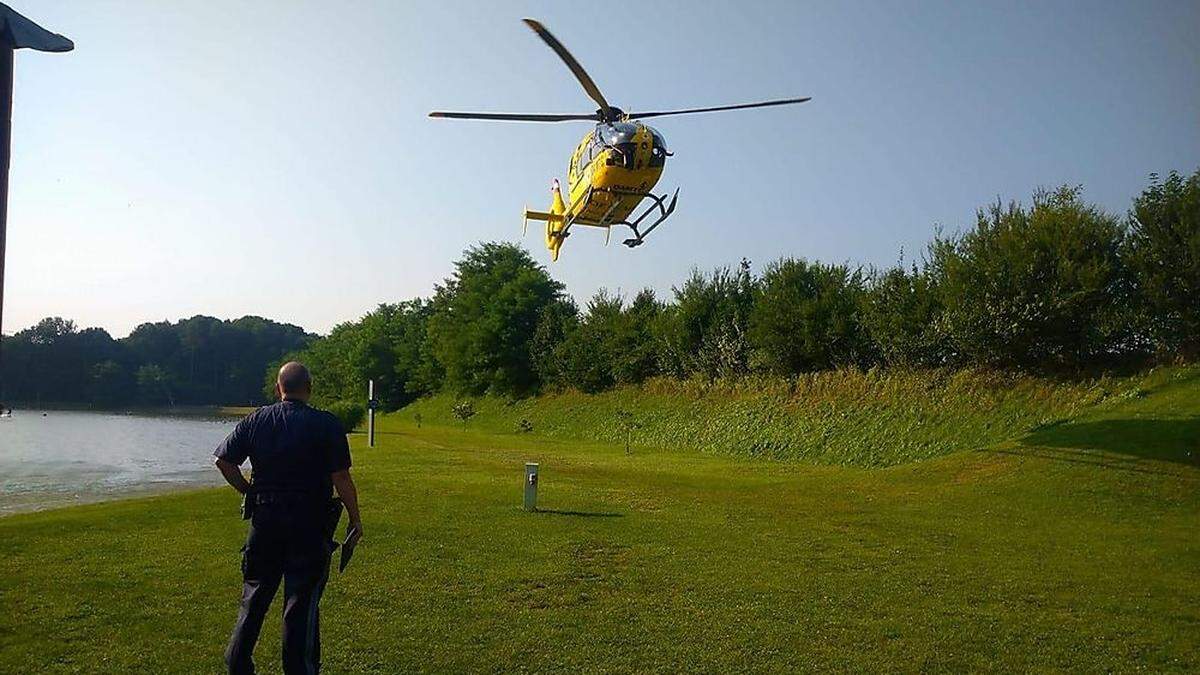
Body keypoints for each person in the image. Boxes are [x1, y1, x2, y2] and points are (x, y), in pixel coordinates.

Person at [213, 361, 363, 675]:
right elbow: (341, 477)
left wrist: (248, 492)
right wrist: (354, 518)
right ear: (308, 388)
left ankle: (237, 663)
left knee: (253, 596)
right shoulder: (327, 424)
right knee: (301, 602)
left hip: (265, 521)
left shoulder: (256, 420)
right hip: (309, 524)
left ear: (279, 388)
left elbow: (224, 462)